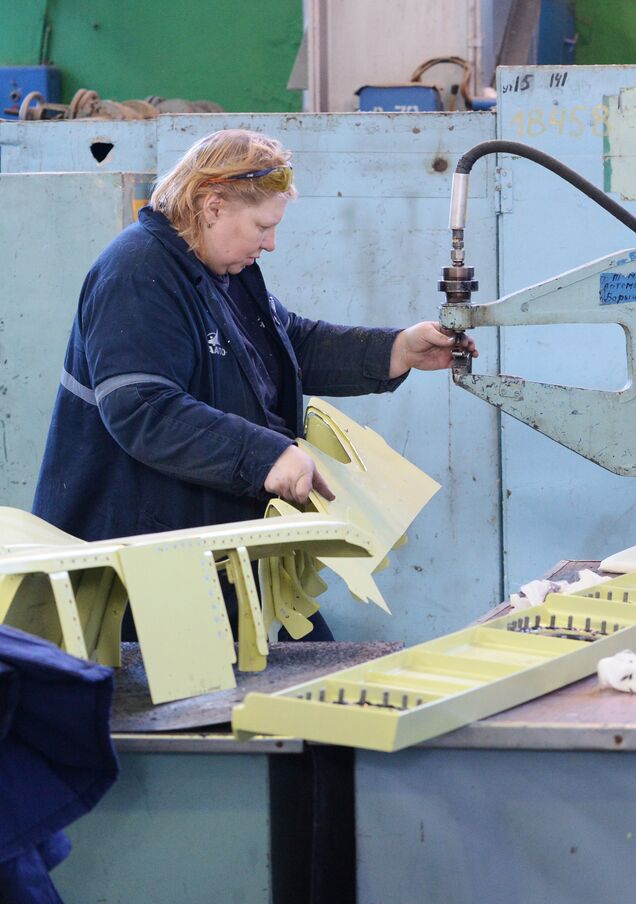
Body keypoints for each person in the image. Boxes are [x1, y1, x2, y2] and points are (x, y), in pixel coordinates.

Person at [31, 129, 477, 640]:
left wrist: (397, 349)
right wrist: (265, 456)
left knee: (299, 667)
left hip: (215, 544)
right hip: (142, 562)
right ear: (213, 205)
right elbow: (142, 408)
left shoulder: (222, 270)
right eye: (262, 226)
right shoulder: (137, 274)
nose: (271, 243)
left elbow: (290, 345)